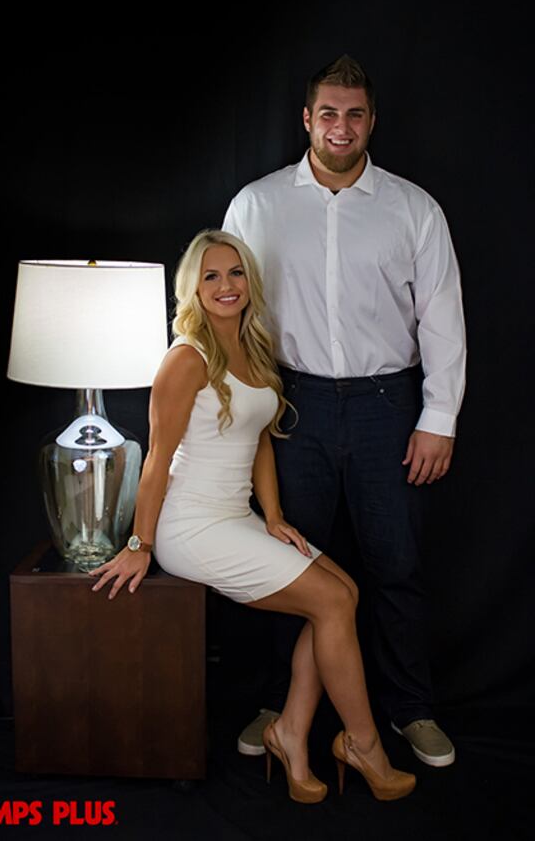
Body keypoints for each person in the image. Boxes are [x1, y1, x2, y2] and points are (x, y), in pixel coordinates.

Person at [89, 229, 416, 803]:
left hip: (236, 517)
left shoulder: (254, 346)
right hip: (191, 527)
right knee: (335, 602)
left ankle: (290, 733)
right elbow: (157, 460)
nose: (225, 285)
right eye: (210, 276)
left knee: (343, 595)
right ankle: (363, 745)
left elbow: (260, 439)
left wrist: (273, 516)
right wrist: (140, 545)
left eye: (235, 273)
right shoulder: (185, 359)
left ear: (249, 282)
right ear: (191, 288)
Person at [222, 55, 466, 767]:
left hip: (387, 406)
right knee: (280, 561)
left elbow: (443, 319)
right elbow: (227, 308)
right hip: (289, 406)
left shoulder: (413, 209)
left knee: (396, 565)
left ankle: (410, 710)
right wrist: (241, 411)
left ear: (371, 122)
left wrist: (439, 416)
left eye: (354, 114)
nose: (340, 126)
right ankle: (277, 706)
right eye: (328, 112)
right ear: (306, 118)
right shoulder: (257, 205)